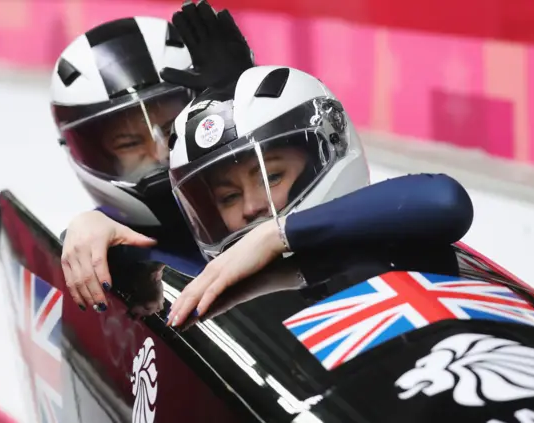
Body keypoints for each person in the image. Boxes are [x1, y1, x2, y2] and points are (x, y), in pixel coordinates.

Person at [163, 65, 474, 327]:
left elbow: (445, 201)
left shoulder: (398, 218)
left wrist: (274, 236)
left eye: (272, 177)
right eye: (228, 197)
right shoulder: (217, 279)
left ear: (330, 149)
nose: (251, 206)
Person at [51, 2, 255, 312]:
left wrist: (247, 110)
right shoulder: (112, 238)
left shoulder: (261, 193)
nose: (160, 151)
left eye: (172, 128)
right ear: (93, 152)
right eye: (131, 142)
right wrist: (89, 228)